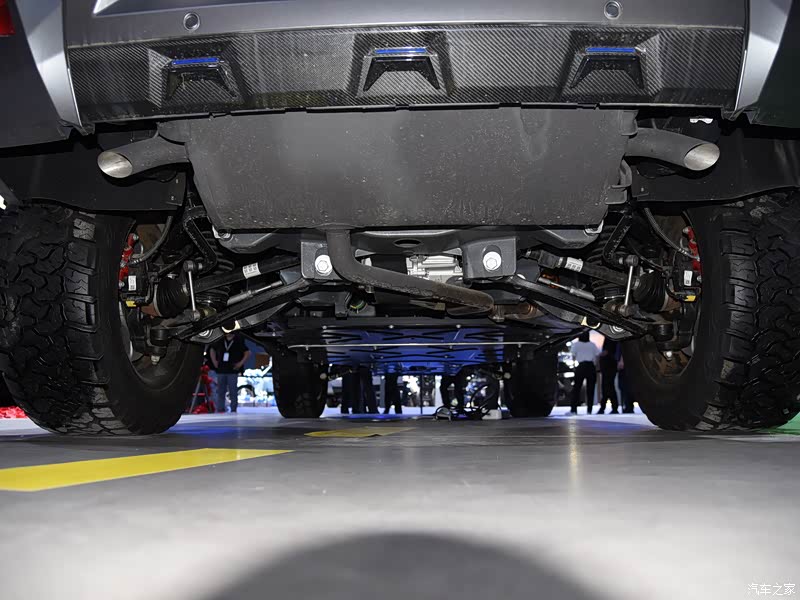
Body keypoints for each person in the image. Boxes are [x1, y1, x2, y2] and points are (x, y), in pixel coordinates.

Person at [209, 332, 251, 413]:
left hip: (232, 370)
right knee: (220, 391)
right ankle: (220, 409)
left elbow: (247, 352)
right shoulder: (220, 340)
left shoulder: (238, 340)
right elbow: (212, 349)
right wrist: (214, 361)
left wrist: (240, 363)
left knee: (233, 391)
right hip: (221, 369)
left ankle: (233, 409)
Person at [569, 331, 600, 415]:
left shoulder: (576, 344)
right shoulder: (592, 345)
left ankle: (574, 409)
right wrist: (596, 366)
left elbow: (573, 356)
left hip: (581, 366)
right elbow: (597, 356)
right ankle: (589, 410)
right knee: (590, 389)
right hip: (591, 366)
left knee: (576, 388)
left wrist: (574, 367)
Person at [597, 338, 619, 414]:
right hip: (610, 365)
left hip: (608, 366)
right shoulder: (613, 339)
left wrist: (600, 355)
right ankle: (611, 407)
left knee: (607, 387)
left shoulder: (609, 339)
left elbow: (607, 351)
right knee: (609, 387)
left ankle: (606, 407)